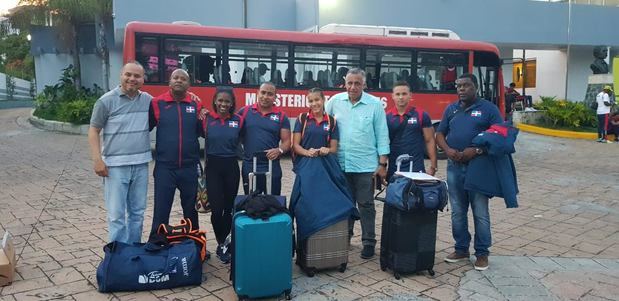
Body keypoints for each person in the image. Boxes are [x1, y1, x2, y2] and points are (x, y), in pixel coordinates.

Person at [436, 73, 503, 271]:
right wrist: (448, 150)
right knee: (457, 211)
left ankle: (482, 253)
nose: (461, 89)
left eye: (466, 85)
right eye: (458, 86)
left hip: (479, 168)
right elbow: (440, 133)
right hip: (454, 167)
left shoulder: (488, 109)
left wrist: (476, 150)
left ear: (475, 87)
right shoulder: (452, 109)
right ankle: (461, 248)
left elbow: (499, 136)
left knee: (480, 211)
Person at [325, 68, 390, 259]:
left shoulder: (374, 104)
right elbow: (322, 124)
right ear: (344, 83)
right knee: (344, 204)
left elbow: (382, 133)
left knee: (366, 204)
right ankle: (345, 237)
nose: (353, 87)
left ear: (364, 85)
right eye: (350, 83)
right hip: (340, 164)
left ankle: (369, 242)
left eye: (357, 83)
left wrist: (382, 164)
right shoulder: (335, 101)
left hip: (365, 165)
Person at [88, 61, 152, 243]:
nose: (132, 79)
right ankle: (118, 256)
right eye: (128, 75)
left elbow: (168, 101)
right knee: (116, 215)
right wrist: (97, 160)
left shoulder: (147, 100)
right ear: (121, 76)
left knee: (137, 214)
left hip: (141, 165)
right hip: (115, 167)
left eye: (137, 76)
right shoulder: (105, 101)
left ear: (142, 79)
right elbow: (93, 130)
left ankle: (133, 253)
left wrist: (192, 97)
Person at [148, 69, 203, 238]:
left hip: (189, 167)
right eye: (175, 78)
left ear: (189, 84)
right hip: (165, 167)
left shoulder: (196, 104)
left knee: (191, 211)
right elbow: (146, 127)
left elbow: (202, 131)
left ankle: (194, 243)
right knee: (161, 209)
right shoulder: (157, 103)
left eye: (183, 79)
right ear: (169, 81)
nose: (179, 81)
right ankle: (156, 243)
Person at [205, 87, 243, 263]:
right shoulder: (206, 119)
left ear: (232, 103)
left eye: (227, 101)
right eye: (220, 100)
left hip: (231, 167)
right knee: (216, 209)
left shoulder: (238, 121)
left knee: (228, 208)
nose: (223, 104)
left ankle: (223, 245)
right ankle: (221, 241)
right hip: (212, 167)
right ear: (214, 101)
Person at [238, 82, 291, 195]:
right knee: (251, 202)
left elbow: (287, 142)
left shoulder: (281, 116)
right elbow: (234, 132)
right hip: (250, 164)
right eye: (263, 92)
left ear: (275, 97)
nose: (265, 97)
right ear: (257, 93)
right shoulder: (245, 112)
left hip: (271, 165)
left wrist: (279, 150)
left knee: (273, 202)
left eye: (270, 94)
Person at [386, 81, 437, 180]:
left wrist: (433, 166)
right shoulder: (387, 117)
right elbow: (382, 143)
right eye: (398, 94)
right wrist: (382, 167)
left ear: (410, 95)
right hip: (394, 167)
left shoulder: (422, 115)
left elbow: (430, 140)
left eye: (404, 94)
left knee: (415, 194)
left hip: (416, 166)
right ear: (392, 96)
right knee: (394, 194)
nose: (401, 97)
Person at [292, 88, 338, 160]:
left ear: (323, 99)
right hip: (305, 163)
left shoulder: (332, 121)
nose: (314, 104)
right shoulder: (302, 118)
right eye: (311, 101)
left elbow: (334, 148)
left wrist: (327, 150)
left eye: (317, 100)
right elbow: (295, 146)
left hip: (324, 163)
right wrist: (307, 152)